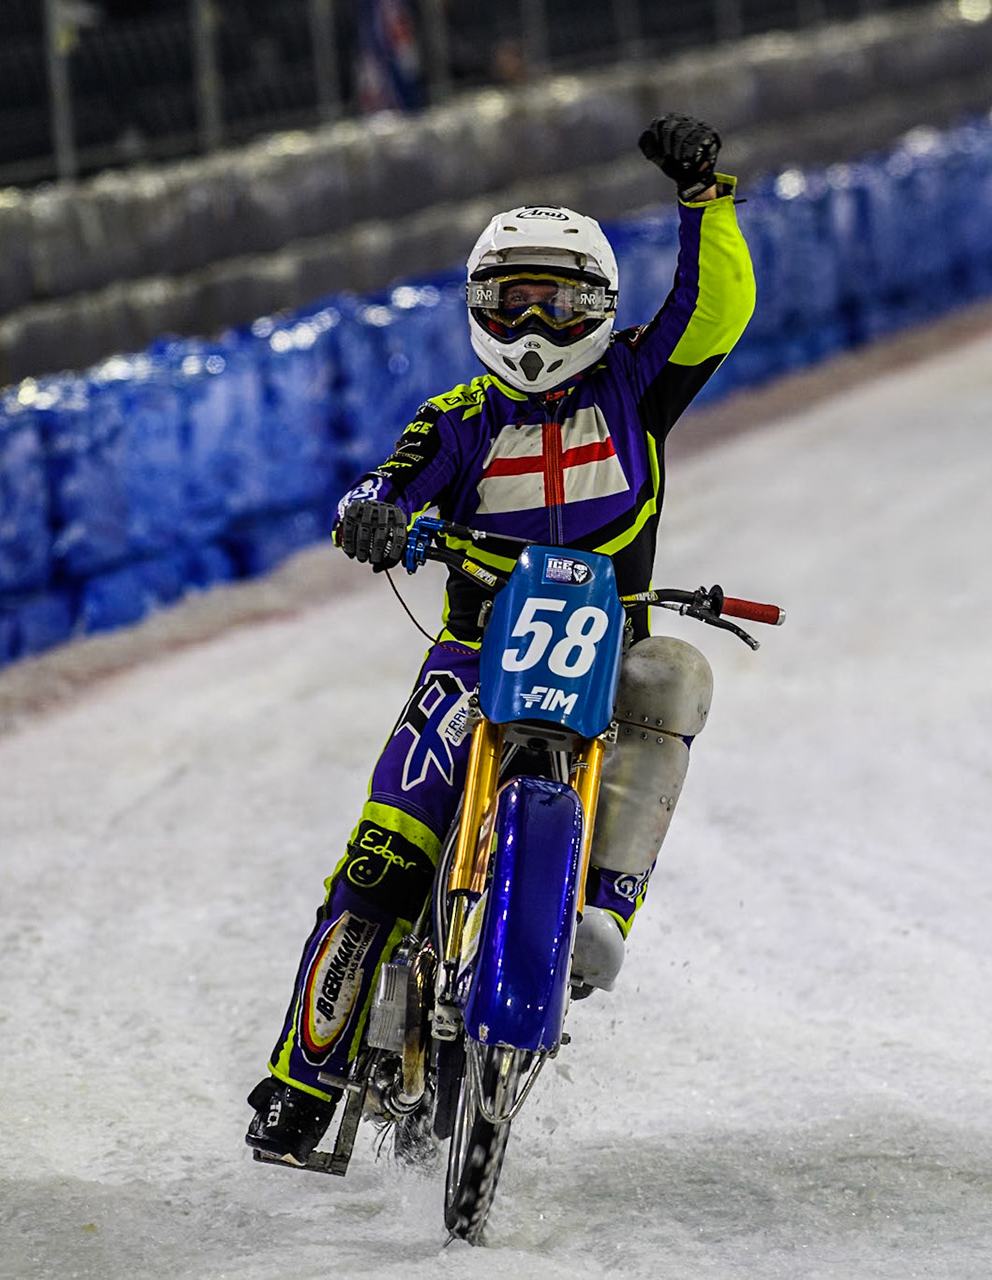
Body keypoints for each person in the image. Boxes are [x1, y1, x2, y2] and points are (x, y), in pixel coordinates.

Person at [247, 113, 755, 1163]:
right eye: (513, 297)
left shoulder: (636, 384)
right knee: (385, 854)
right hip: (473, 654)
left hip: (607, 642)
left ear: (599, 310)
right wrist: (372, 515)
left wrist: (705, 196)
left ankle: (607, 906)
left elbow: (714, 314)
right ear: (478, 307)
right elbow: (380, 484)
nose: (535, 317)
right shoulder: (457, 418)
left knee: (676, 672)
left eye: (558, 299)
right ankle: (301, 1081)